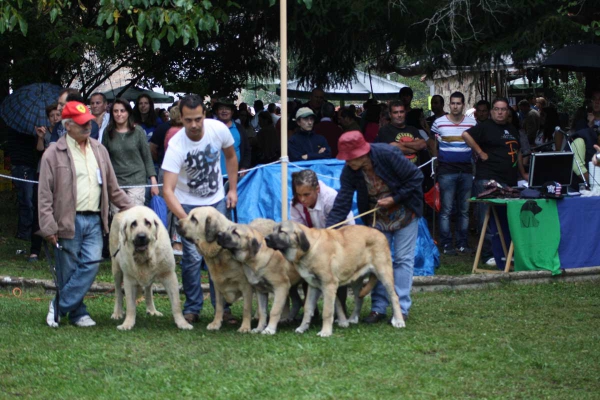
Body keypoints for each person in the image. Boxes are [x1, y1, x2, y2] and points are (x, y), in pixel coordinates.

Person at [38, 101, 133, 327]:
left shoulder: (100, 150)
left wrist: (133, 208)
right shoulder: (53, 153)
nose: (87, 127)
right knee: (69, 271)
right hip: (66, 220)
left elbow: (113, 188)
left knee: (91, 263)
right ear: (68, 125)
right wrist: (48, 226)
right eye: (81, 124)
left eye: (88, 122)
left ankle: (59, 305)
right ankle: (79, 313)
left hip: (95, 219)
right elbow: (43, 195)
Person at [326, 131, 423, 323]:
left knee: (402, 259)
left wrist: (394, 198)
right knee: (379, 262)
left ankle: (401, 308)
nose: (346, 162)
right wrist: (329, 230)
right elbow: (343, 201)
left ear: (361, 154)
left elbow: (416, 177)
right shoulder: (350, 170)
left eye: (349, 158)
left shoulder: (387, 154)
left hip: (405, 210)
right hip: (377, 216)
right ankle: (378, 308)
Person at [161, 94, 239, 325]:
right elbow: (167, 190)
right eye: (188, 120)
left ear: (204, 115)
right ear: (181, 118)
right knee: (193, 258)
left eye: (197, 119)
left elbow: (231, 157)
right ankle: (193, 307)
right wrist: (188, 221)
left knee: (221, 255)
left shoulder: (218, 130)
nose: (194, 125)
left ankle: (222, 308)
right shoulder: (176, 145)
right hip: (188, 205)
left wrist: (232, 189)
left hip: (216, 203)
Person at [462, 97, 528, 266]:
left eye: (503, 109)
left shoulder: (512, 129)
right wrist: (480, 152)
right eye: (497, 109)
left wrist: (523, 173)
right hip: (488, 178)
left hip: (509, 180)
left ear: (508, 112)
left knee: (506, 218)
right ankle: (488, 254)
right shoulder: (484, 127)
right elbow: (465, 135)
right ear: (492, 112)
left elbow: (518, 152)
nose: (500, 112)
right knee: (487, 217)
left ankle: (506, 252)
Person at [290, 169, 354, 316]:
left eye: (306, 195)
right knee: (306, 266)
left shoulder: (331, 198)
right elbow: (300, 231)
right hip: (315, 244)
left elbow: (341, 230)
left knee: (335, 271)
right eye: (299, 195)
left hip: (340, 240)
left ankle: (340, 311)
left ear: (317, 189)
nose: (303, 200)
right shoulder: (295, 204)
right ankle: (311, 313)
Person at [430, 92, 476, 255]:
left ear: (463, 105)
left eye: (458, 103)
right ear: (449, 104)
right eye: (453, 103)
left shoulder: (472, 123)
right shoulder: (438, 123)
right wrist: (436, 159)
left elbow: (475, 144)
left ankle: (462, 243)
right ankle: (446, 244)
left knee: (464, 210)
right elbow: (432, 142)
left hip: (466, 170)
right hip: (446, 170)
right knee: (446, 209)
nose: (455, 106)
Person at [102, 98, 159, 211]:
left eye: (122, 111)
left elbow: (147, 157)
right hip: (116, 182)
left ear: (128, 112)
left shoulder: (137, 131)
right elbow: (104, 158)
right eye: (115, 111)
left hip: (137, 179)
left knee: (134, 216)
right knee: (119, 219)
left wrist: (153, 181)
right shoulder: (108, 132)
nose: (119, 114)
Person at [376, 100, 426, 166]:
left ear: (405, 113)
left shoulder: (413, 129)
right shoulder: (385, 130)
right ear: (390, 114)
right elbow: (394, 148)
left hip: (415, 172)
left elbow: (423, 144)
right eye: (395, 112)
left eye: (401, 112)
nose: (399, 115)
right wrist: (415, 148)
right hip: (396, 173)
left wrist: (403, 143)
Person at [214, 98, 251, 176]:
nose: (224, 111)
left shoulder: (240, 129)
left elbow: (247, 151)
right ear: (217, 111)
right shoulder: (210, 128)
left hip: (235, 176)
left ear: (232, 112)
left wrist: (244, 167)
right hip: (213, 177)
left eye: (227, 109)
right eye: (221, 108)